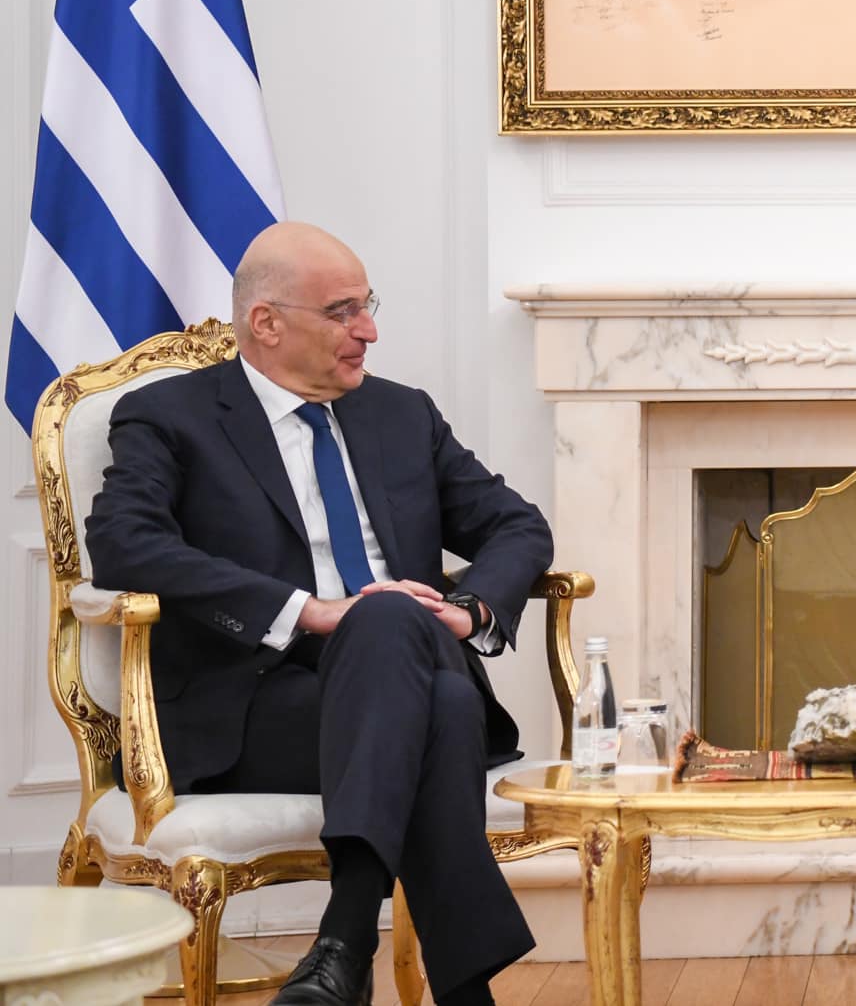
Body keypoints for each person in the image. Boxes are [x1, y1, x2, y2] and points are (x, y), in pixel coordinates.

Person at [85, 222, 552, 1006]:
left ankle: (342, 943)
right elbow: (123, 543)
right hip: (261, 709)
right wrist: (307, 610)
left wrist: (468, 610)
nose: (369, 330)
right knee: (436, 697)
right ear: (266, 322)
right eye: (343, 311)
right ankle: (455, 987)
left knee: (391, 625)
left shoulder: (402, 414)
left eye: (368, 305)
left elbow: (518, 525)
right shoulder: (170, 414)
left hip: (404, 666)